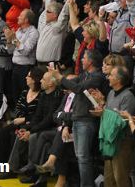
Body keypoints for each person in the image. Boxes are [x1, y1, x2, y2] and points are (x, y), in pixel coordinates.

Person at [49, 50, 106, 187]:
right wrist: (58, 77)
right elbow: (71, 83)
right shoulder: (85, 75)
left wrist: (60, 78)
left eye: (84, 58)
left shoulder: (97, 77)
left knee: (83, 157)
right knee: (80, 157)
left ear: (91, 62)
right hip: (77, 118)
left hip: (86, 120)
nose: (81, 60)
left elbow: (78, 88)